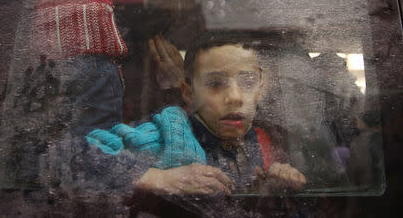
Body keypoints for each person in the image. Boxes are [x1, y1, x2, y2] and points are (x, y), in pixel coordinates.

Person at [92, 32, 307, 197]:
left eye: (248, 82)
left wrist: (267, 195)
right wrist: (159, 178)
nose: (234, 97)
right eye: (215, 84)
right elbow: (73, 155)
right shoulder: (162, 139)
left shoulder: (271, 143)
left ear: (261, 89)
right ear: (189, 94)